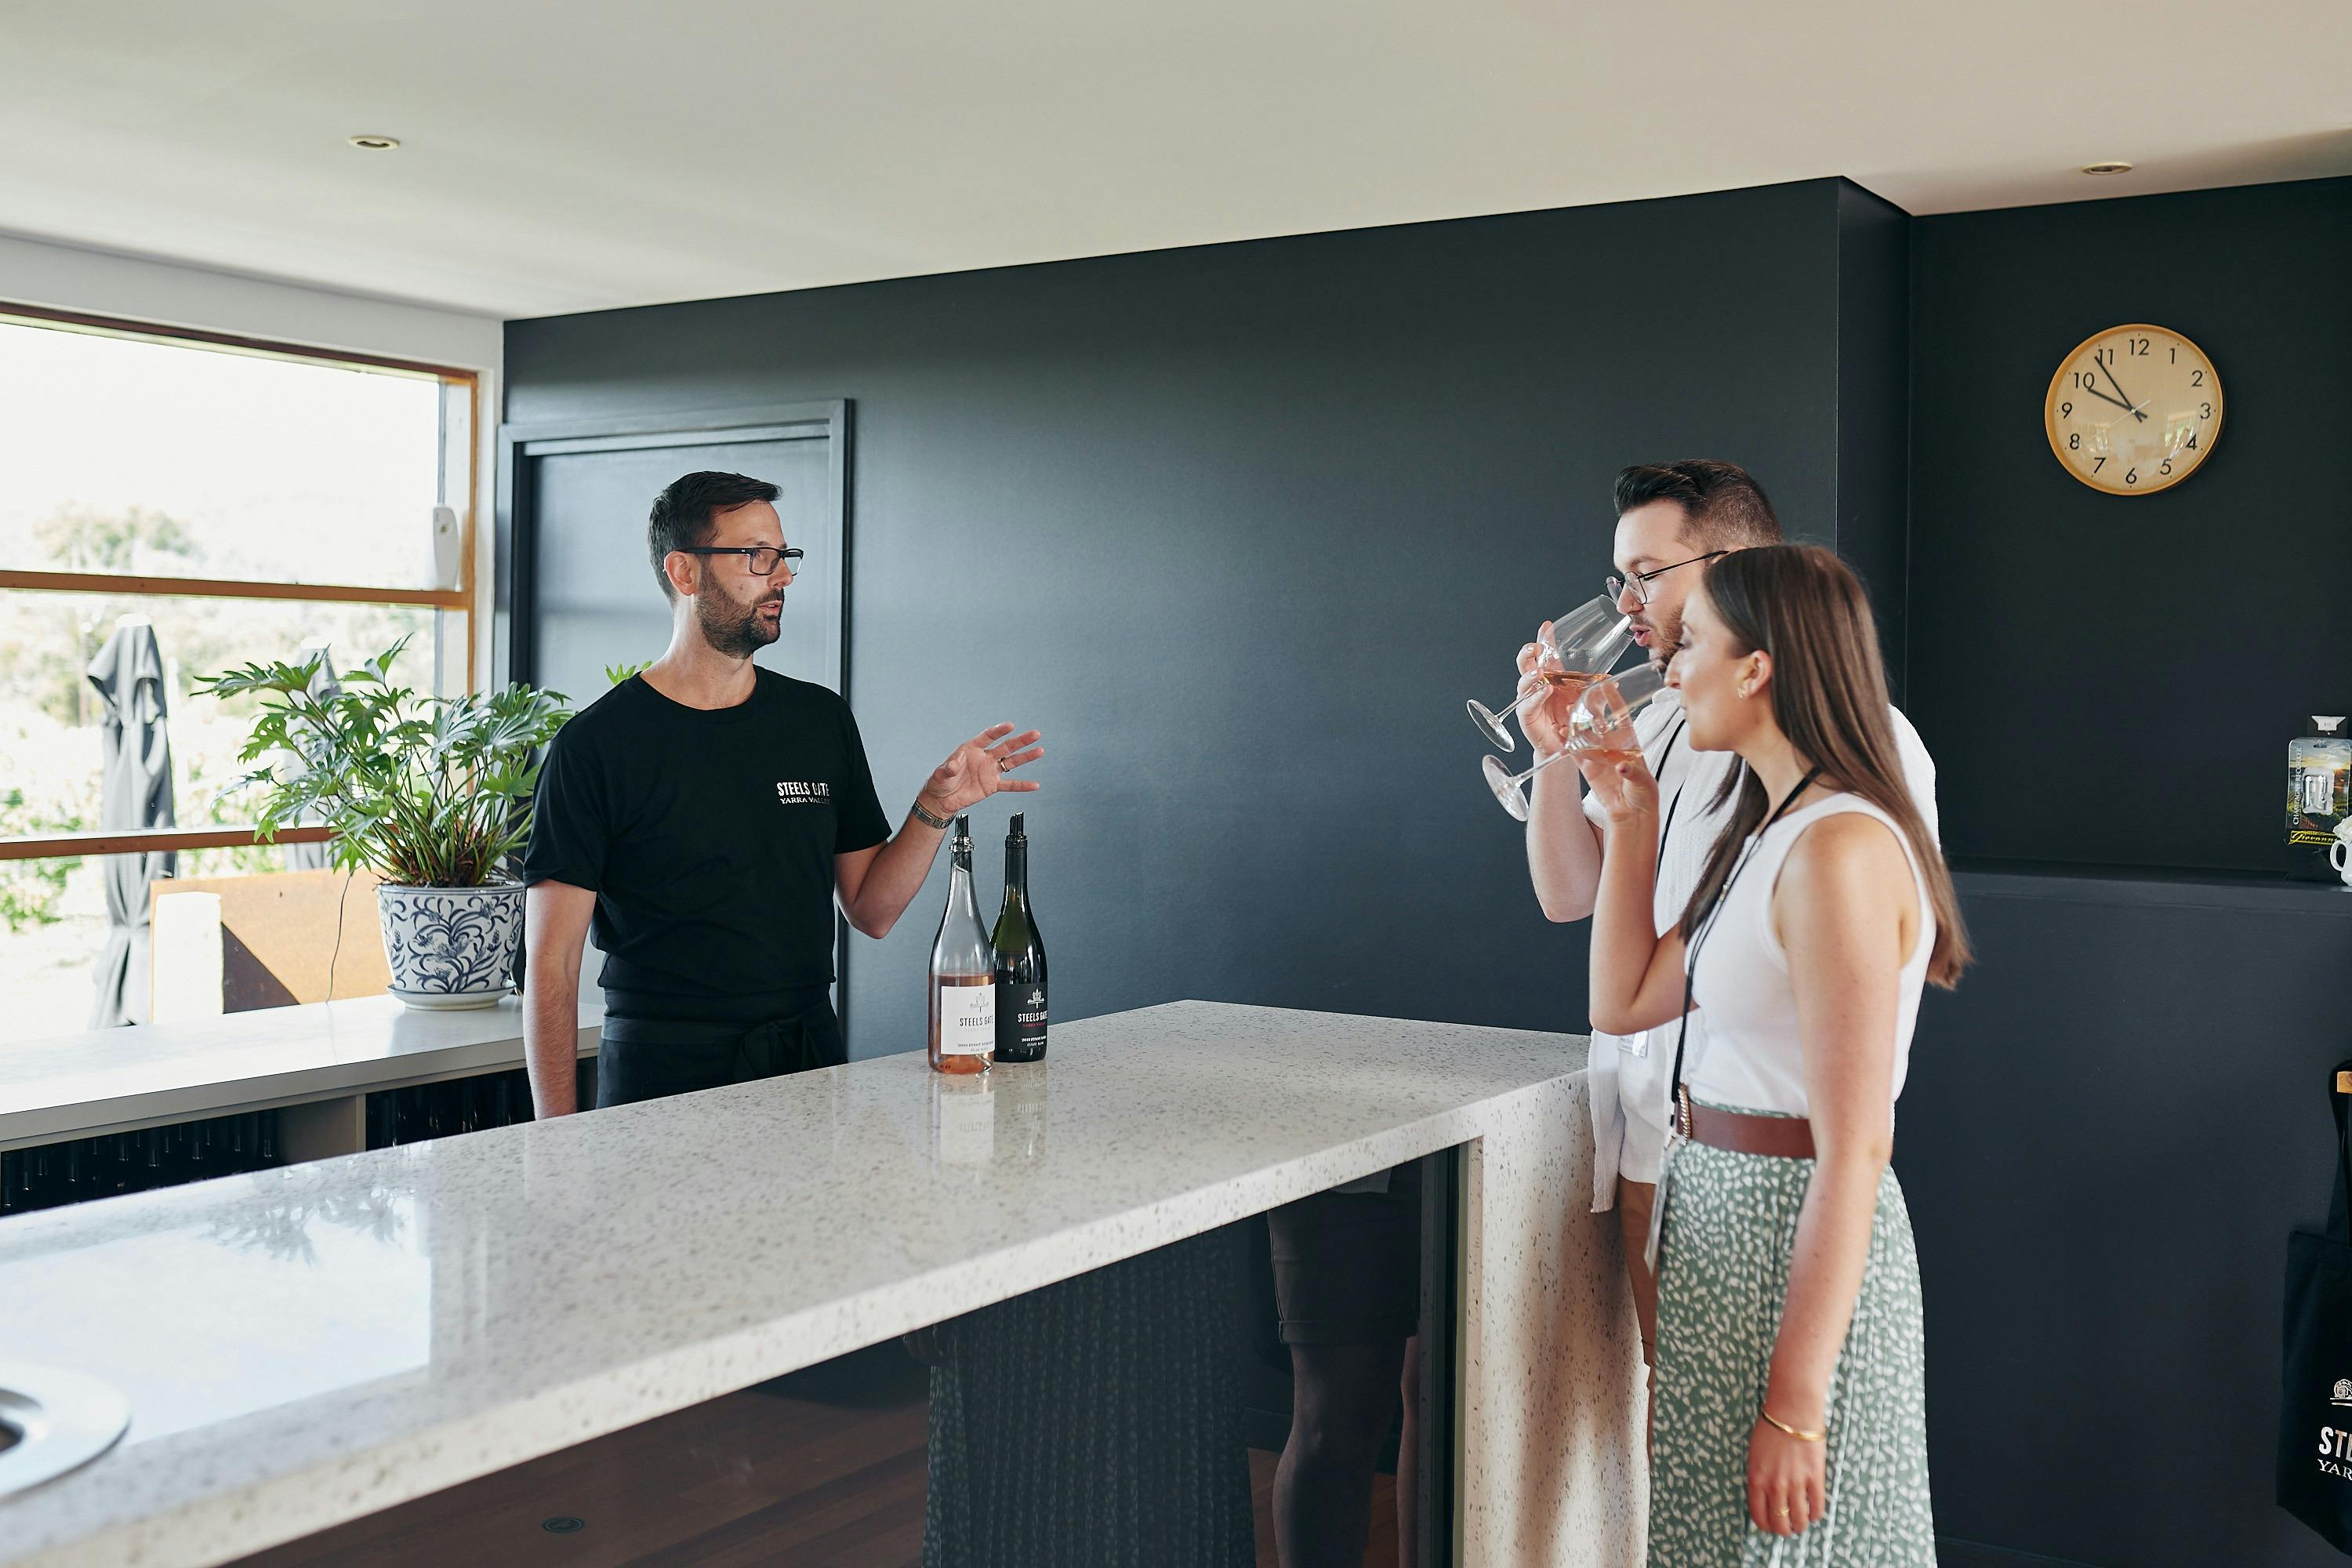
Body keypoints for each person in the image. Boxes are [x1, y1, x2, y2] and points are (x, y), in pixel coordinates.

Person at [1579, 543, 1968, 1562]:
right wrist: (1628, 810)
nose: (1668, 665)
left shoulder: (1840, 848)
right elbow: (1624, 1001)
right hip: (1713, 1222)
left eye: (1692, 642)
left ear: (1757, 668)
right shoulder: (1766, 831)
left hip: (1790, 1236)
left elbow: (1855, 1148)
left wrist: (1796, 1404)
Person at [1513, 461, 1936, 1385]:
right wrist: (1560, 759)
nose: (1625, 601)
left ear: (1741, 570)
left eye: (1649, 574)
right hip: (1645, 1138)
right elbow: (1573, 907)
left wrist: (1797, 1400)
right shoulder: (1663, 722)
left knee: (1762, 1463)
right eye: (1619, 576)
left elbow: (1853, 1111)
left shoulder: (1851, 781)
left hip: (1766, 1167)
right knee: (1683, 1439)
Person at [520, 470, 1042, 1115]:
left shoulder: (817, 720)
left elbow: (870, 910)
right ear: (684, 572)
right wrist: (553, 1143)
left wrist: (934, 808)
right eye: (756, 556)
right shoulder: (596, 746)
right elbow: (551, 966)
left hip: (807, 1059)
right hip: (664, 1069)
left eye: (785, 556)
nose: (783, 577)